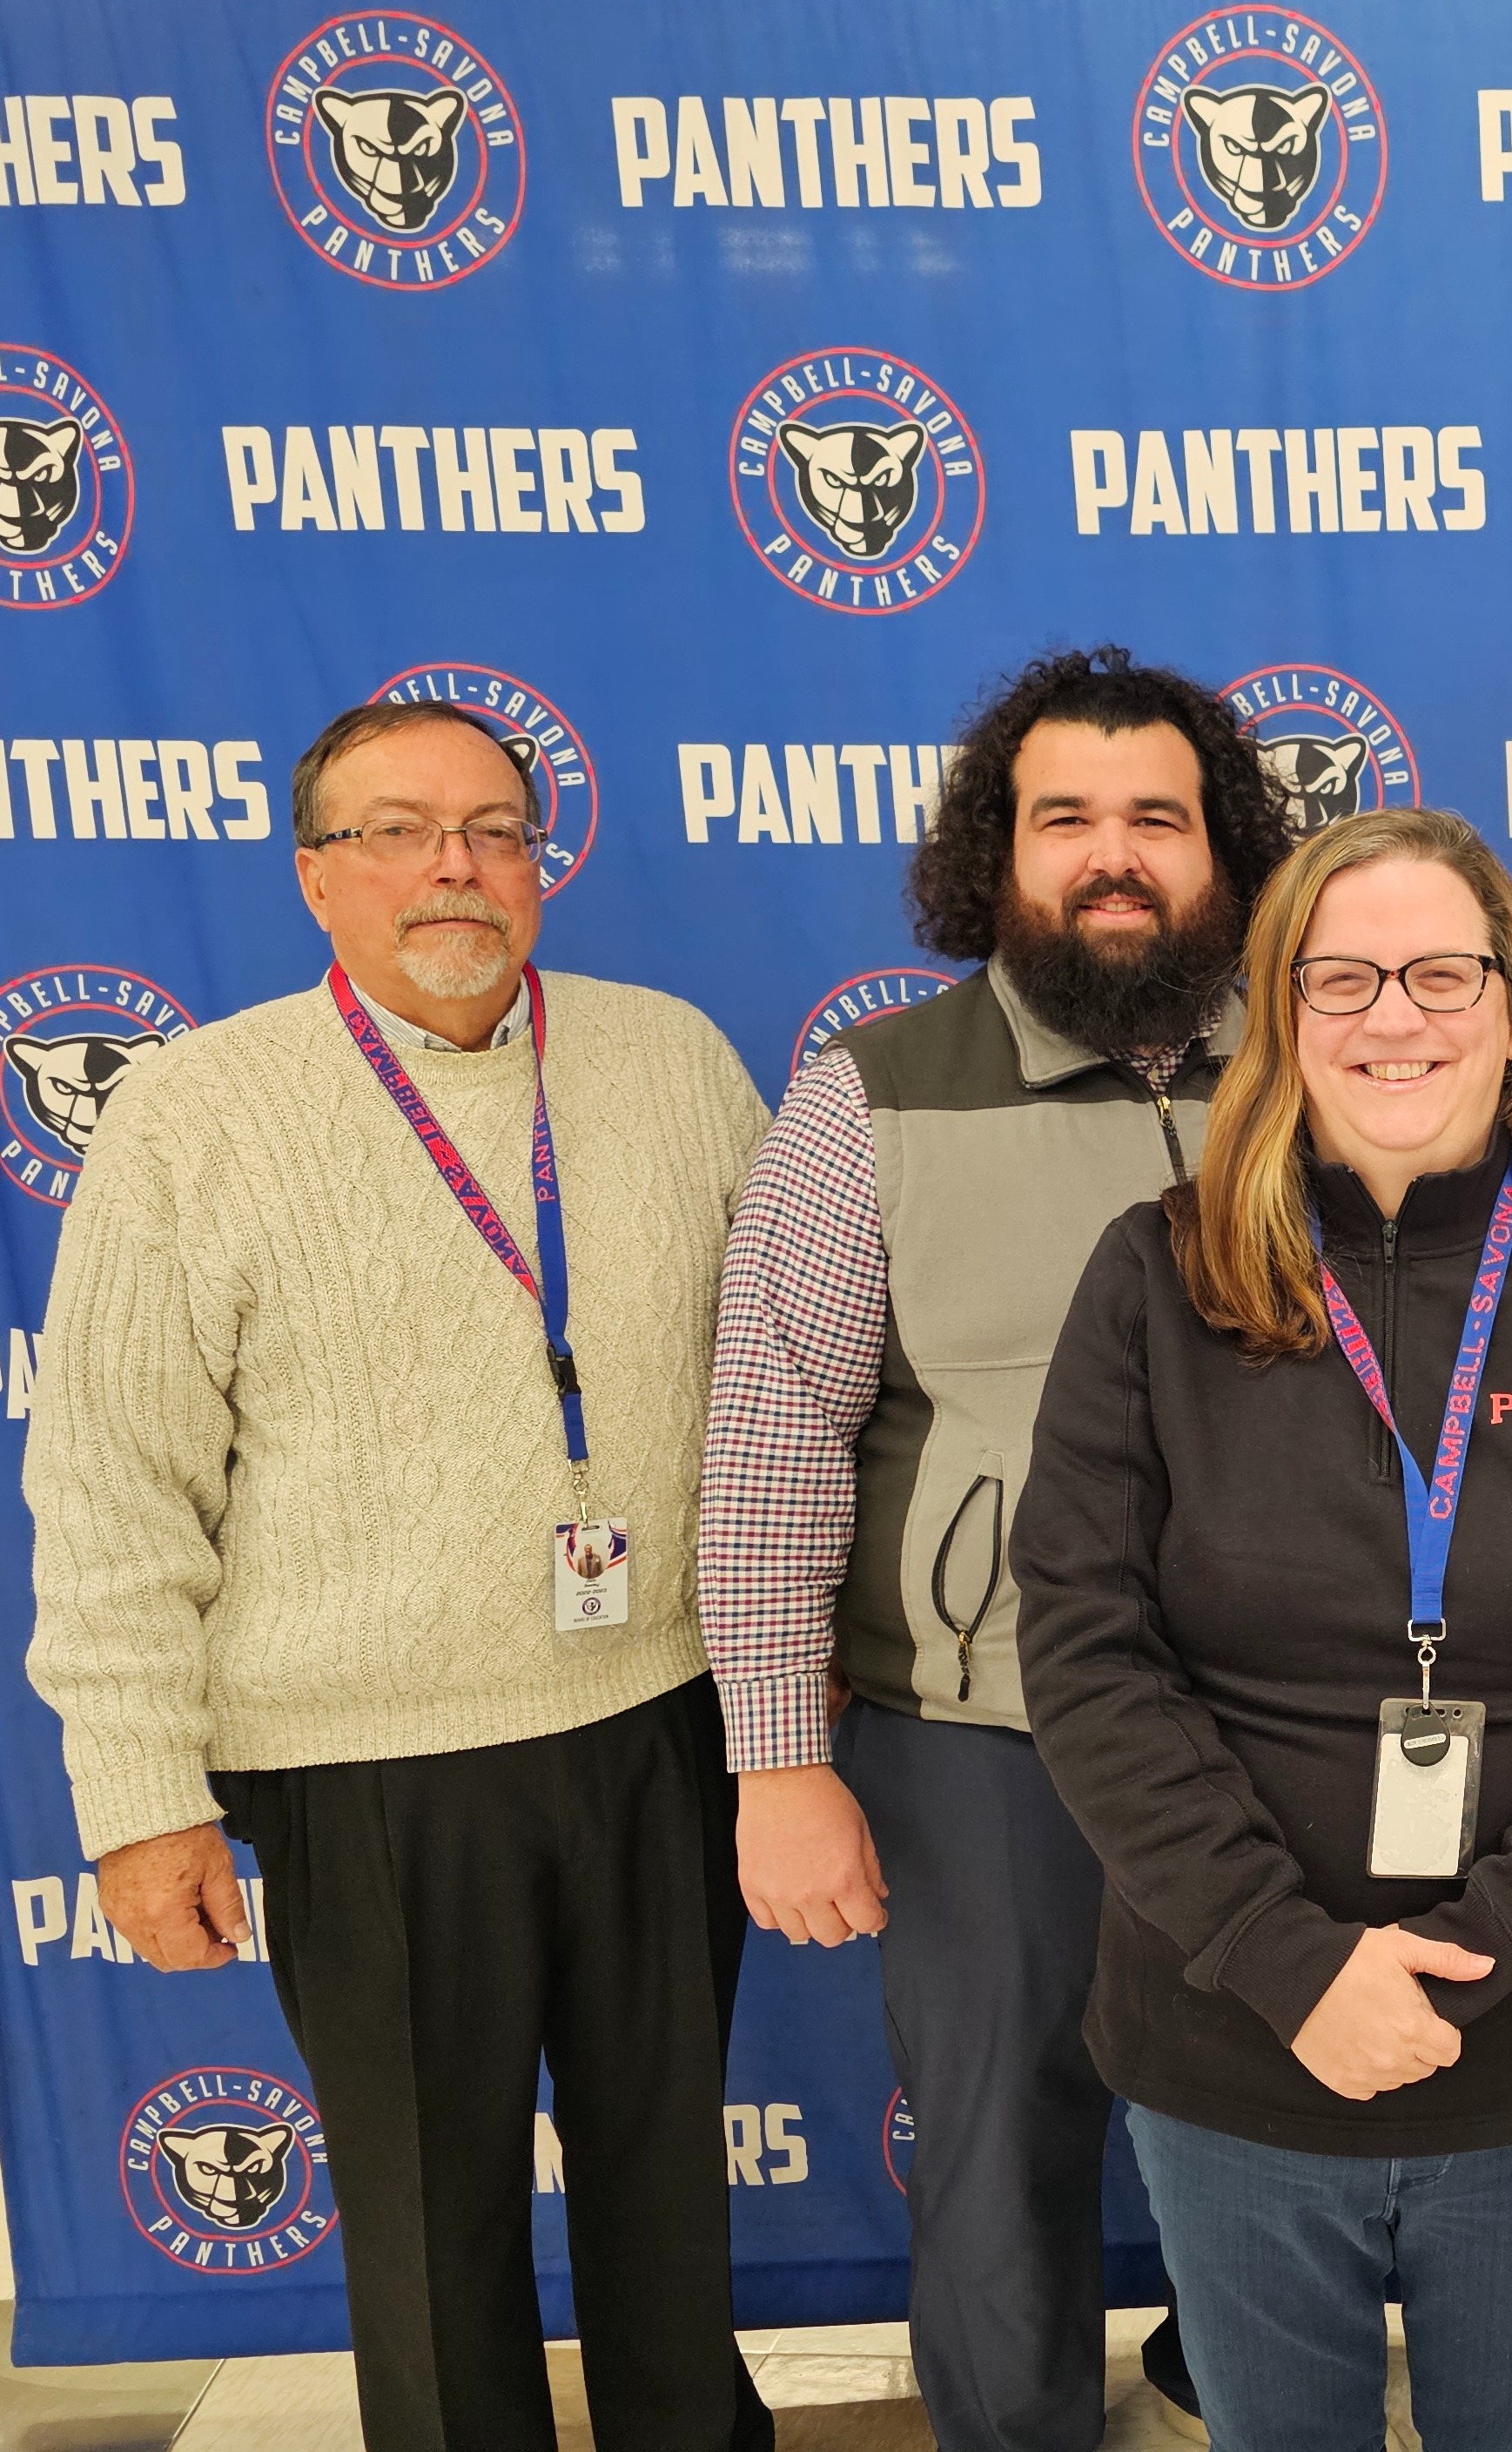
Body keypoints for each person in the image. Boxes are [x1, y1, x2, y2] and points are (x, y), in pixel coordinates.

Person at [24, 702, 774, 2450]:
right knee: (434, 2234)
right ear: (314, 876)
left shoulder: (670, 1059)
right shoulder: (197, 1115)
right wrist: (139, 1795)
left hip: (664, 1717)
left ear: (538, 864)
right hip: (371, 1770)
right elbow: (112, 1482)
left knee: (672, 2191)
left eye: (495, 830)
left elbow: (787, 1390)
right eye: (398, 831)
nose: (456, 867)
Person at [1012, 805, 1512, 2452]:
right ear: (1280, 1014)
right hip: (1234, 2031)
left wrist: (1483, 1947)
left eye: (1441, 974)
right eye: (1341, 977)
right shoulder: (1155, 1273)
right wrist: (1291, 1965)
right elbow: (1085, 1649)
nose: (1393, 1018)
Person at [701, 648, 1286, 2447]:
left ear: (1223, 851)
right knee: (996, 2155)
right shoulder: (869, 1097)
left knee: (1283, 2131)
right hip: (984, 1736)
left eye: (1157, 819)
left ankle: (1245, 2397)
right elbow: (773, 1440)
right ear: (997, 853)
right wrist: (777, 1758)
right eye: (1065, 820)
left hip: (1285, 1721)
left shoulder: (1320, 1066)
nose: (1114, 858)